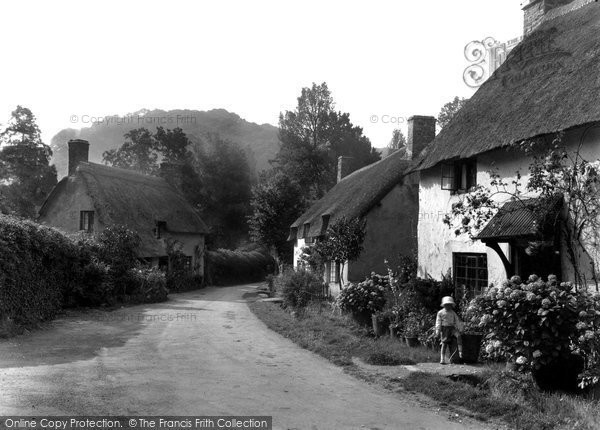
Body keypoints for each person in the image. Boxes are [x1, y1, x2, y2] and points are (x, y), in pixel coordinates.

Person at [435, 296, 463, 365]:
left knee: (458, 336)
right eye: (446, 304)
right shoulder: (440, 313)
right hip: (445, 329)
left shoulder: (453, 313)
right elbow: (438, 322)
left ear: (451, 305)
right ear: (444, 305)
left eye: (449, 305)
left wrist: (460, 328)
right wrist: (438, 331)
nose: (448, 306)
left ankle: (460, 352)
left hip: (452, 328)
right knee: (444, 343)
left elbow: (457, 320)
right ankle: (442, 358)